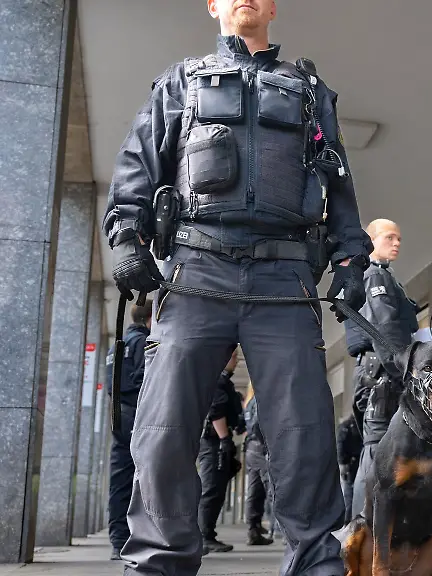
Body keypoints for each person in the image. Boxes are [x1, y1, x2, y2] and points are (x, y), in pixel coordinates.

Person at [103, 1, 371, 573]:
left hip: (285, 278)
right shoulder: (181, 81)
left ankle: (316, 565)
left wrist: (351, 258)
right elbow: (138, 162)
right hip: (196, 273)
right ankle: (158, 563)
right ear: (212, 5)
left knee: (304, 432)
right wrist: (127, 235)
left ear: (274, 7)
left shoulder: (309, 91)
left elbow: (337, 178)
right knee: (165, 428)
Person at [347, 218, 419, 520]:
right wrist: (408, 370)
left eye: (399, 238)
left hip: (380, 373)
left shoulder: (380, 275)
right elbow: (385, 328)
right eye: (389, 237)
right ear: (371, 240)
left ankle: (373, 528)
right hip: (382, 376)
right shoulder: (375, 276)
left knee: (382, 452)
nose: (397, 242)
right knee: (377, 453)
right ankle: (362, 530)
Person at [106, 300, 151, 561]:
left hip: (118, 412)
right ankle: (139, 537)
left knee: (120, 477)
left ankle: (118, 540)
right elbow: (146, 379)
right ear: (150, 319)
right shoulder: (143, 342)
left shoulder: (118, 345)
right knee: (144, 477)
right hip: (135, 412)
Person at [198, 349, 244, 554]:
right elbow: (215, 411)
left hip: (216, 441)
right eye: (234, 357)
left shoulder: (223, 381)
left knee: (216, 490)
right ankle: (203, 536)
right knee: (211, 489)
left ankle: (207, 534)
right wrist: (225, 439)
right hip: (214, 441)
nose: (236, 361)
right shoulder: (217, 380)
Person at [243, 388, 274, 546]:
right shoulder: (264, 396)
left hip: (251, 447)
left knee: (254, 490)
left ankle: (253, 530)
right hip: (262, 447)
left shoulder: (250, 402)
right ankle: (280, 529)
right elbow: (257, 424)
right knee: (273, 490)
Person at [336, 414, 362, 524]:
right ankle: (346, 521)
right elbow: (340, 446)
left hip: (354, 463)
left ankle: (348, 520)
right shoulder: (347, 427)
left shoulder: (350, 426)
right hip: (351, 465)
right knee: (349, 495)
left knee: (350, 494)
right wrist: (343, 464)